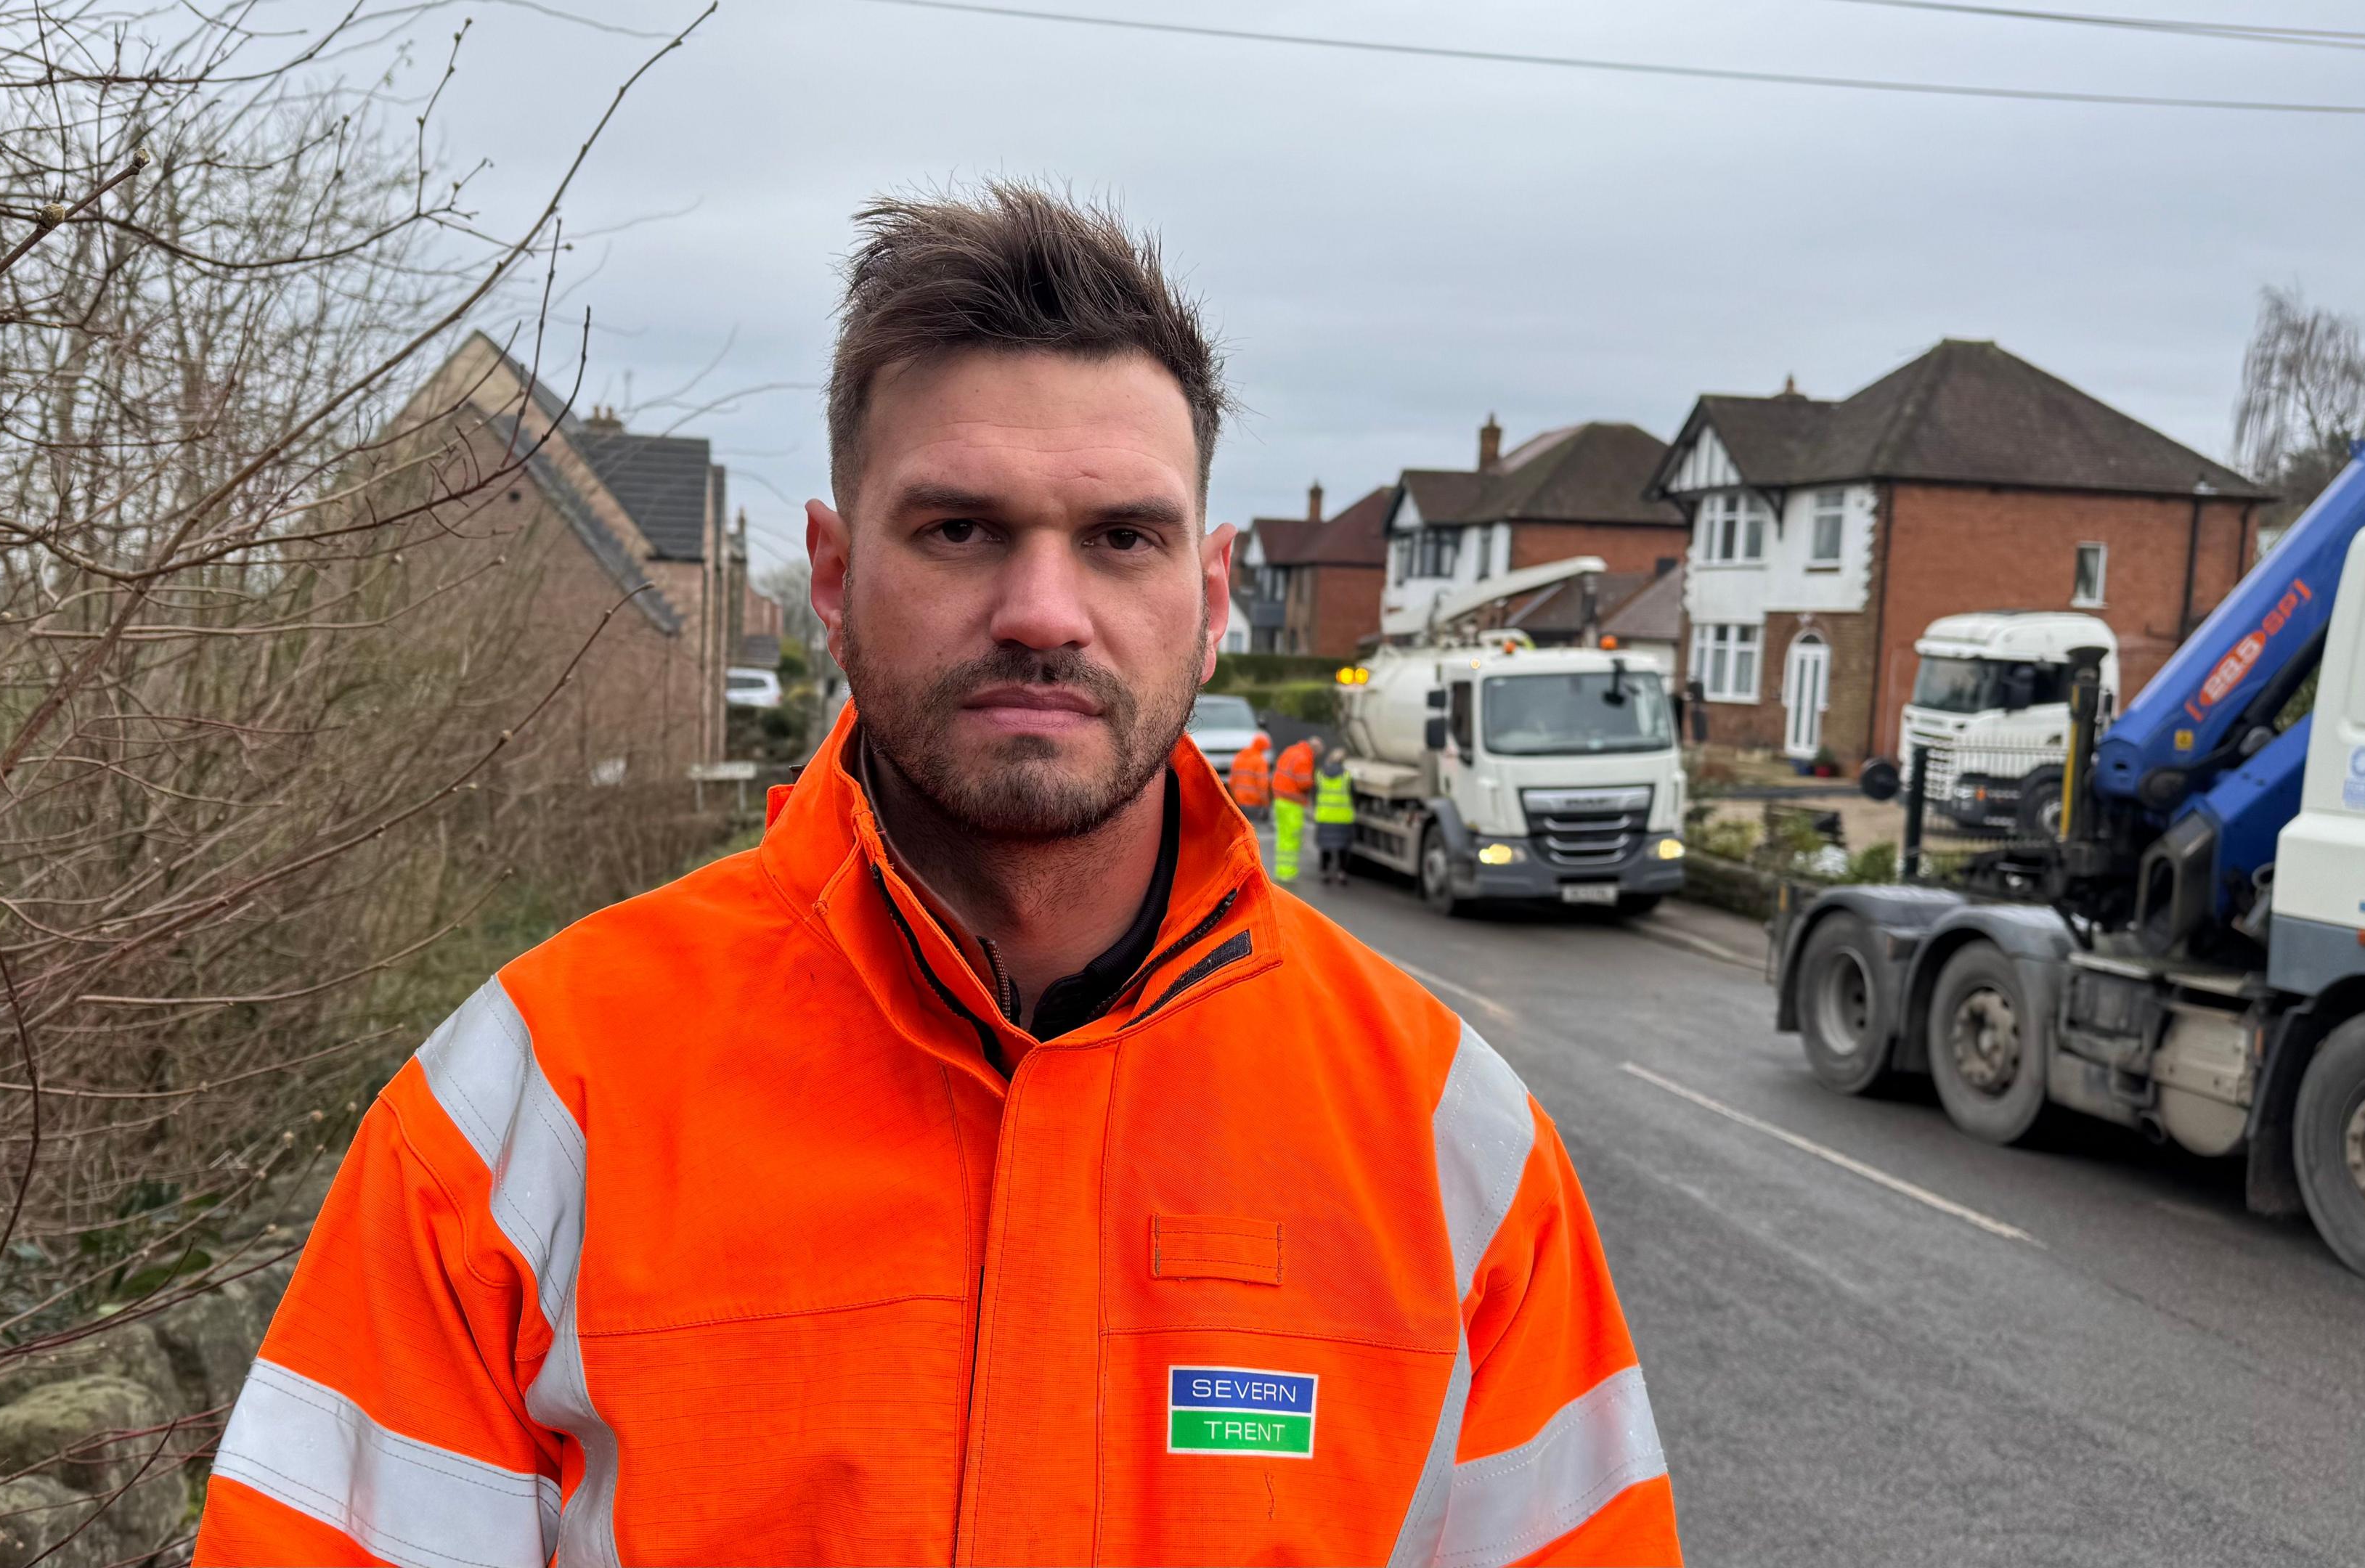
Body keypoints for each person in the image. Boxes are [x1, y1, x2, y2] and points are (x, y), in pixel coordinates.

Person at [194, 182, 1676, 1568]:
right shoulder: (537, 1108)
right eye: (962, 530)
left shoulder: (1444, 1141)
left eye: (1120, 538)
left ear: (1212, 596)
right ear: (832, 577)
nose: (1045, 612)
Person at [1269, 733, 1317, 883]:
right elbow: (1304, 783)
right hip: (1292, 803)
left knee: (1283, 837)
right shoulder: (1304, 758)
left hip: (1279, 800)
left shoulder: (1291, 751)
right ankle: (1288, 873)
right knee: (1292, 838)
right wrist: (1312, 783)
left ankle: (1281, 870)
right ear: (1314, 749)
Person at [1315, 744, 1357, 884]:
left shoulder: (1320, 774)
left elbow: (1315, 794)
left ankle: (1325, 872)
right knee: (1343, 848)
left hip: (1325, 816)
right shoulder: (1346, 776)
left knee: (1325, 846)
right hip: (1343, 818)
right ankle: (1342, 874)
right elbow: (1353, 796)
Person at [1226, 728, 1270, 818]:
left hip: (1238, 802)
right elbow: (1262, 785)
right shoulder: (1260, 761)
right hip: (1253, 803)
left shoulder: (1239, 757)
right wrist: (1266, 804)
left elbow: (1232, 782)